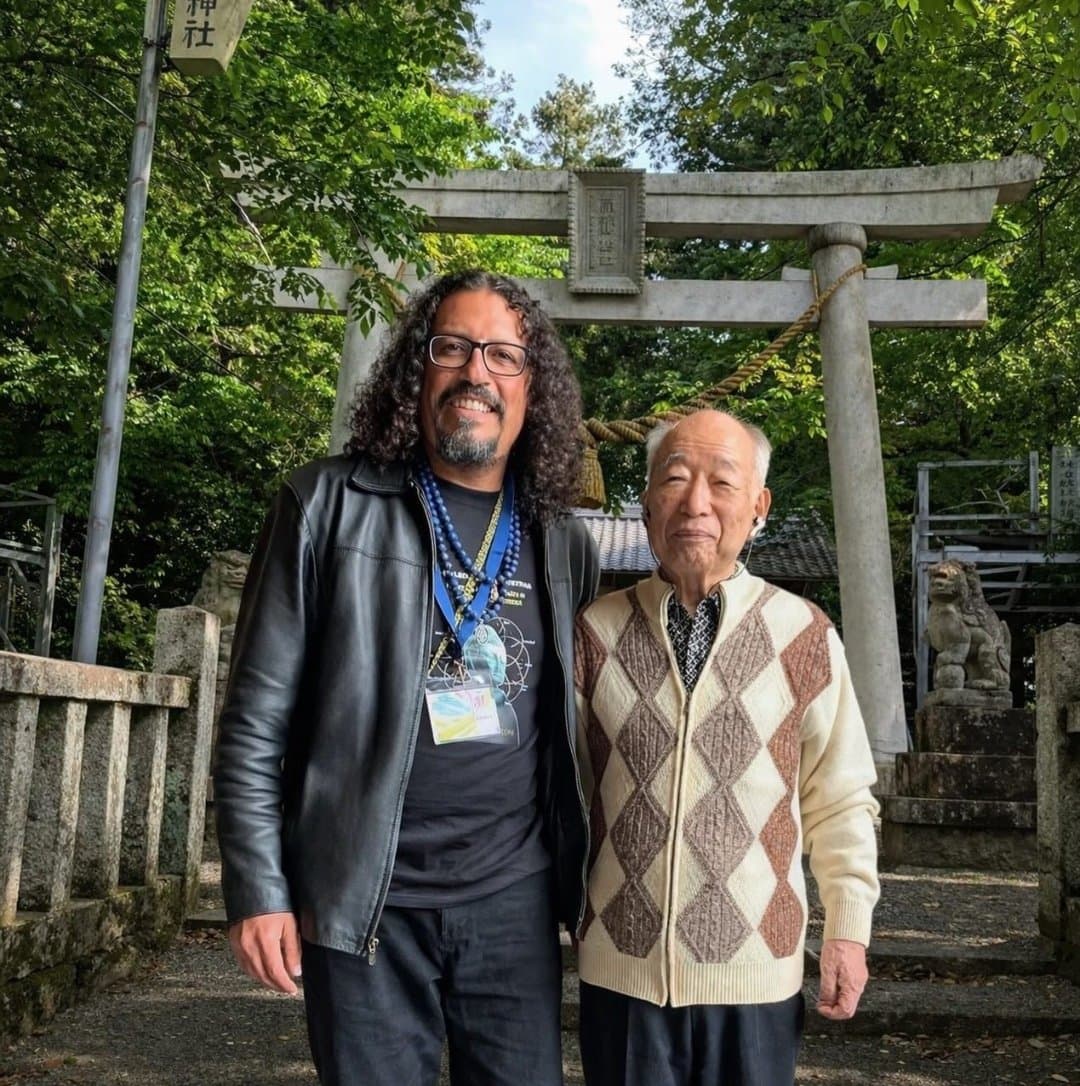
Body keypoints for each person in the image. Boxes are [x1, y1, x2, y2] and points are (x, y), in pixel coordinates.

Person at [214, 269, 600, 1086]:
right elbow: (254, 720)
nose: (476, 374)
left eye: (503, 356)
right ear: (414, 371)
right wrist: (257, 887)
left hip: (513, 898)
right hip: (362, 894)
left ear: (533, 389)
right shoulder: (327, 504)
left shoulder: (562, 540)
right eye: (451, 347)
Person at [572, 409, 880, 1086]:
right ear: (647, 501)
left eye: (722, 482)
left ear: (759, 505)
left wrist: (848, 927)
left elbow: (841, 798)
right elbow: (552, 792)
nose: (696, 503)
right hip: (620, 975)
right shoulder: (594, 634)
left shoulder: (804, 634)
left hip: (756, 978)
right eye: (675, 480)